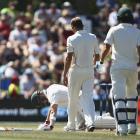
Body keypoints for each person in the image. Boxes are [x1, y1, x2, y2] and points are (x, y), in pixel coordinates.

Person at [100, 7, 140, 136]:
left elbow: (107, 47)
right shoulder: (137, 31)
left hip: (118, 67)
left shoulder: (114, 30)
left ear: (119, 18)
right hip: (133, 68)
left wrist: (101, 60)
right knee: (132, 96)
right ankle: (132, 125)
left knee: (118, 97)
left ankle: (122, 127)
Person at [62, 17, 100, 132]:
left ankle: (71, 125)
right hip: (89, 71)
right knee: (88, 98)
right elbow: (97, 56)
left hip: (75, 71)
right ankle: (90, 123)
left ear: (73, 27)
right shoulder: (93, 37)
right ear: (82, 26)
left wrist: (64, 74)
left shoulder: (71, 38)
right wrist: (91, 66)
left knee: (72, 99)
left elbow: (68, 58)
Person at [31, 84, 115, 131]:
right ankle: (105, 118)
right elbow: (51, 108)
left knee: (92, 122)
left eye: (41, 101)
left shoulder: (51, 94)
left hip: (81, 99)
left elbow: (53, 109)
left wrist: (51, 126)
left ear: (40, 97)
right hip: (76, 103)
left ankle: (116, 122)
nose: (43, 102)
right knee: (79, 127)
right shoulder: (50, 89)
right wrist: (46, 122)